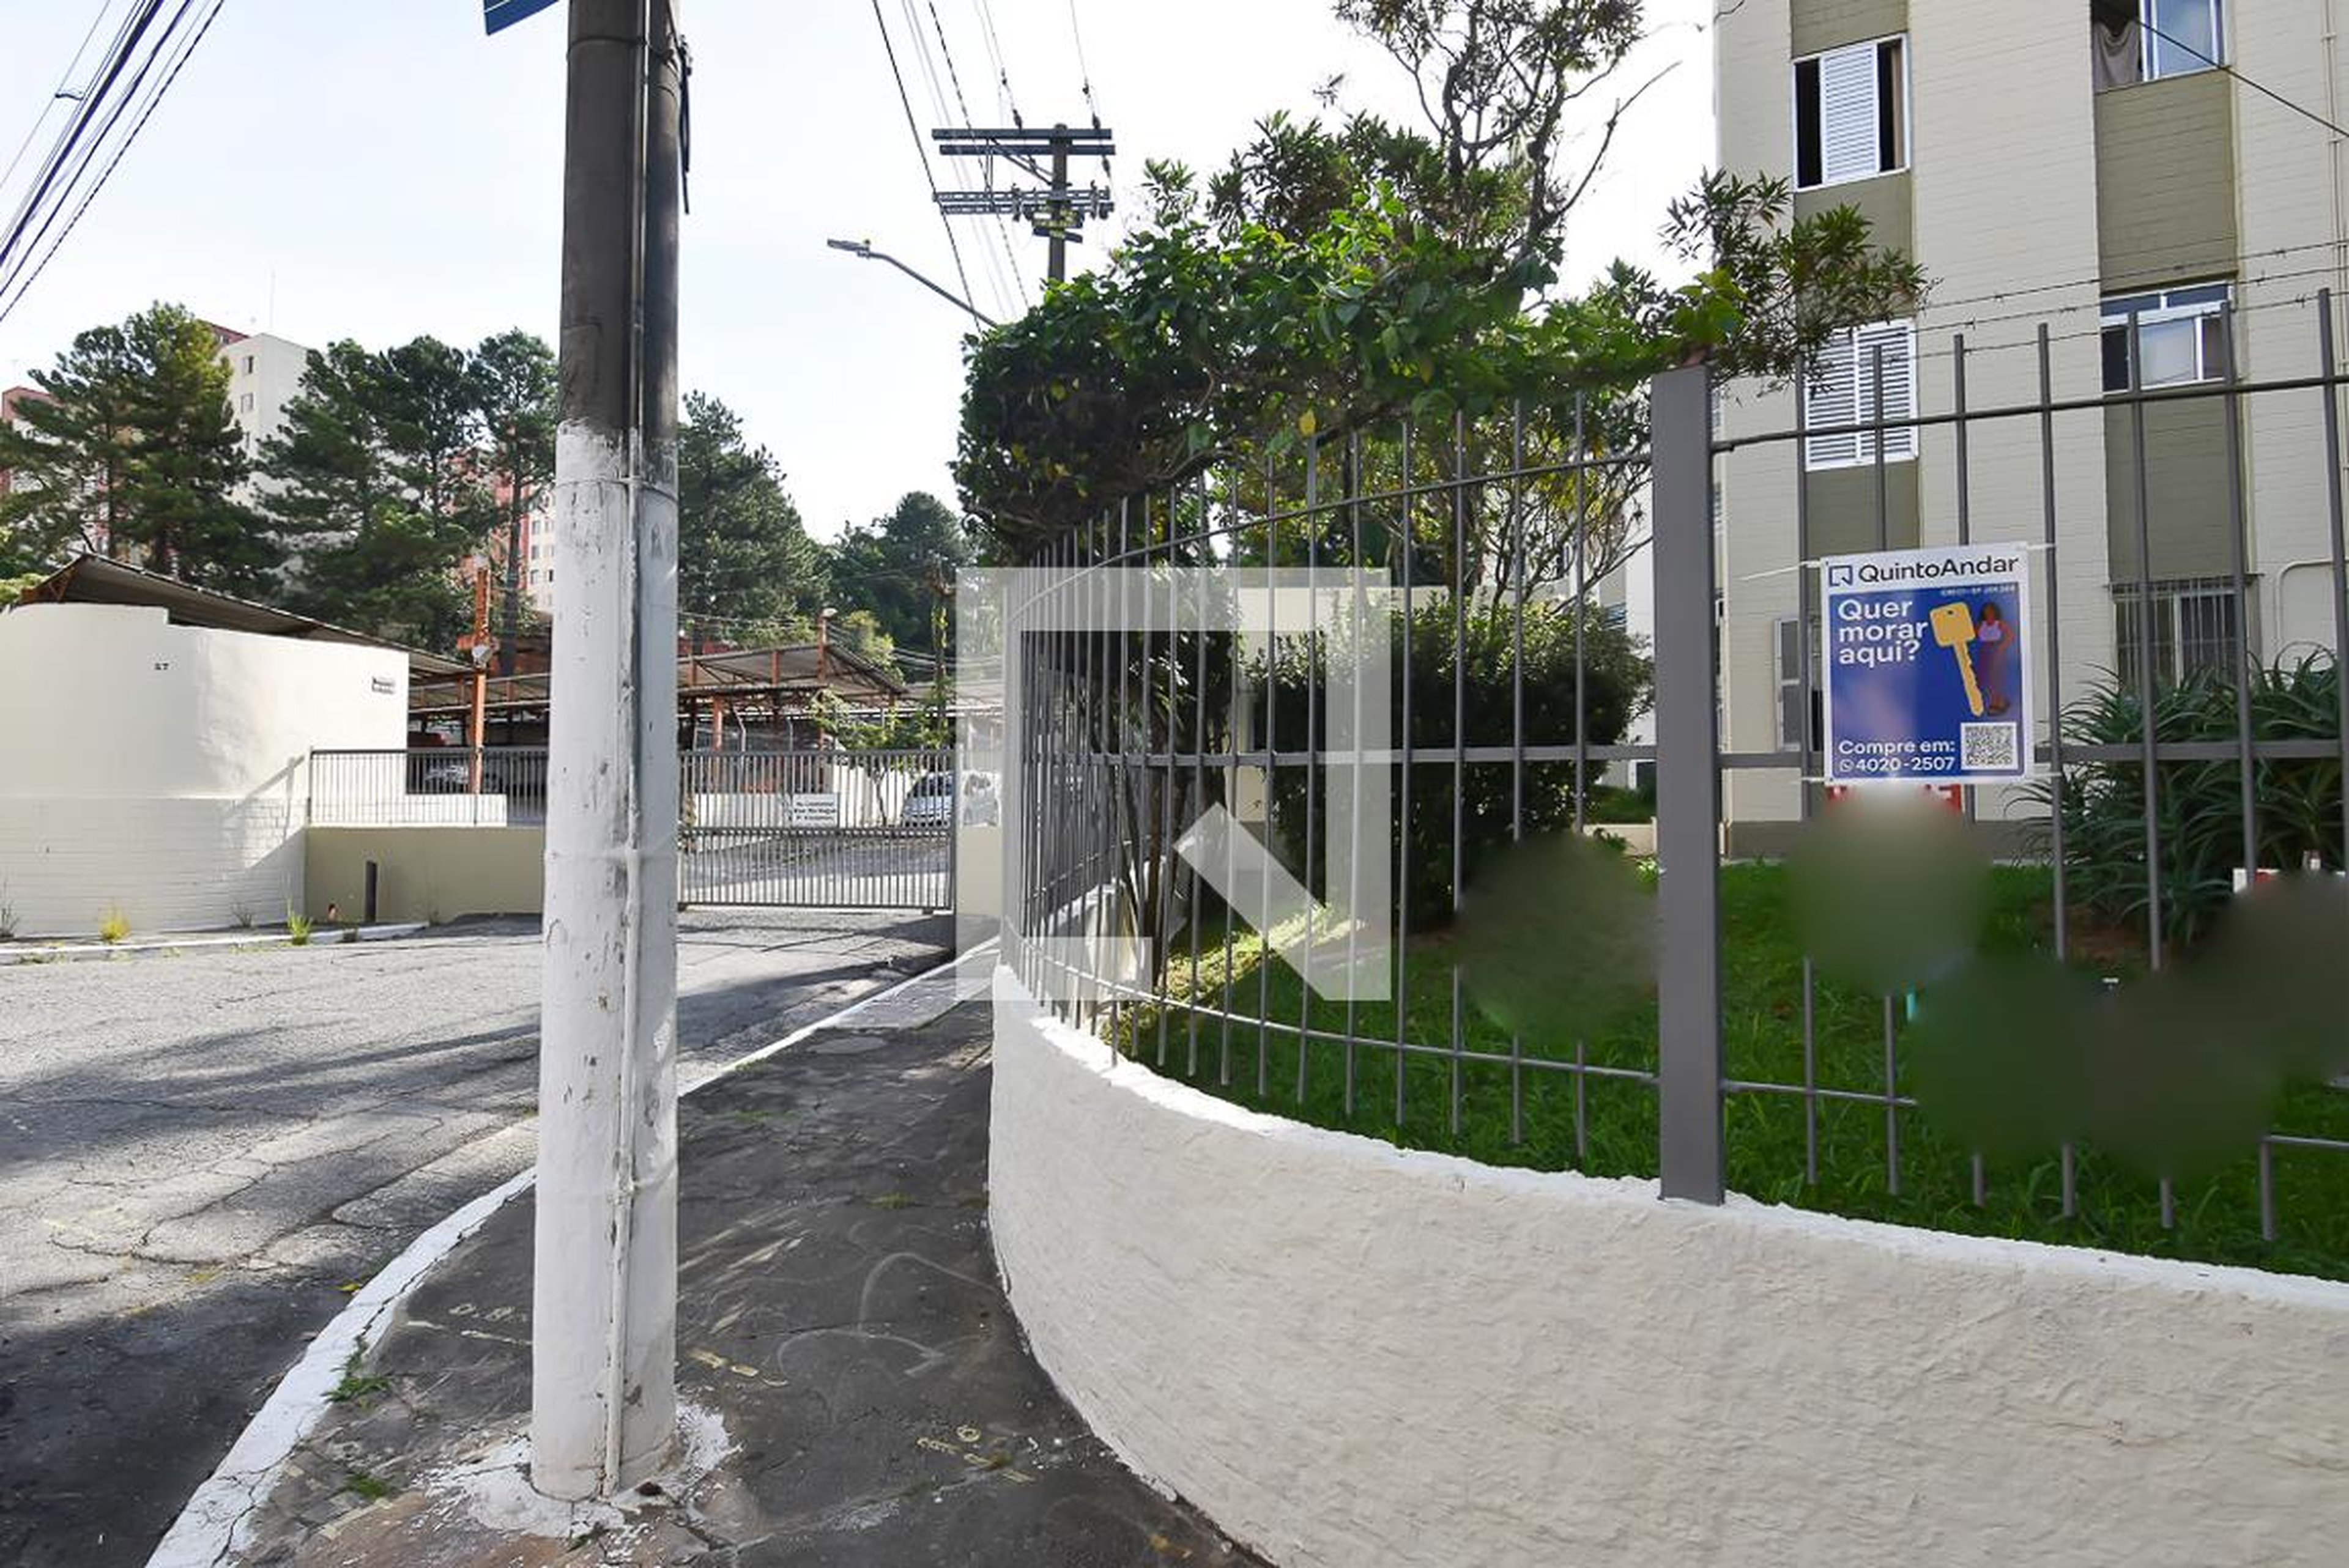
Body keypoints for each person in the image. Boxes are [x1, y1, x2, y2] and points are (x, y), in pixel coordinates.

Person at [1975, 600, 2013, 716]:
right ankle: (1993, 702)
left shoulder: (2000, 624)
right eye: (1986, 611)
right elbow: (1971, 635)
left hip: (1997, 652)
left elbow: (2010, 637)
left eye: (1991, 611)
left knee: (1996, 679)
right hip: (1984, 652)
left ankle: (1998, 703)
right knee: (1983, 679)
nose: (1989, 613)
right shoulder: (1980, 625)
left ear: (1995, 611)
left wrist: (2001, 648)